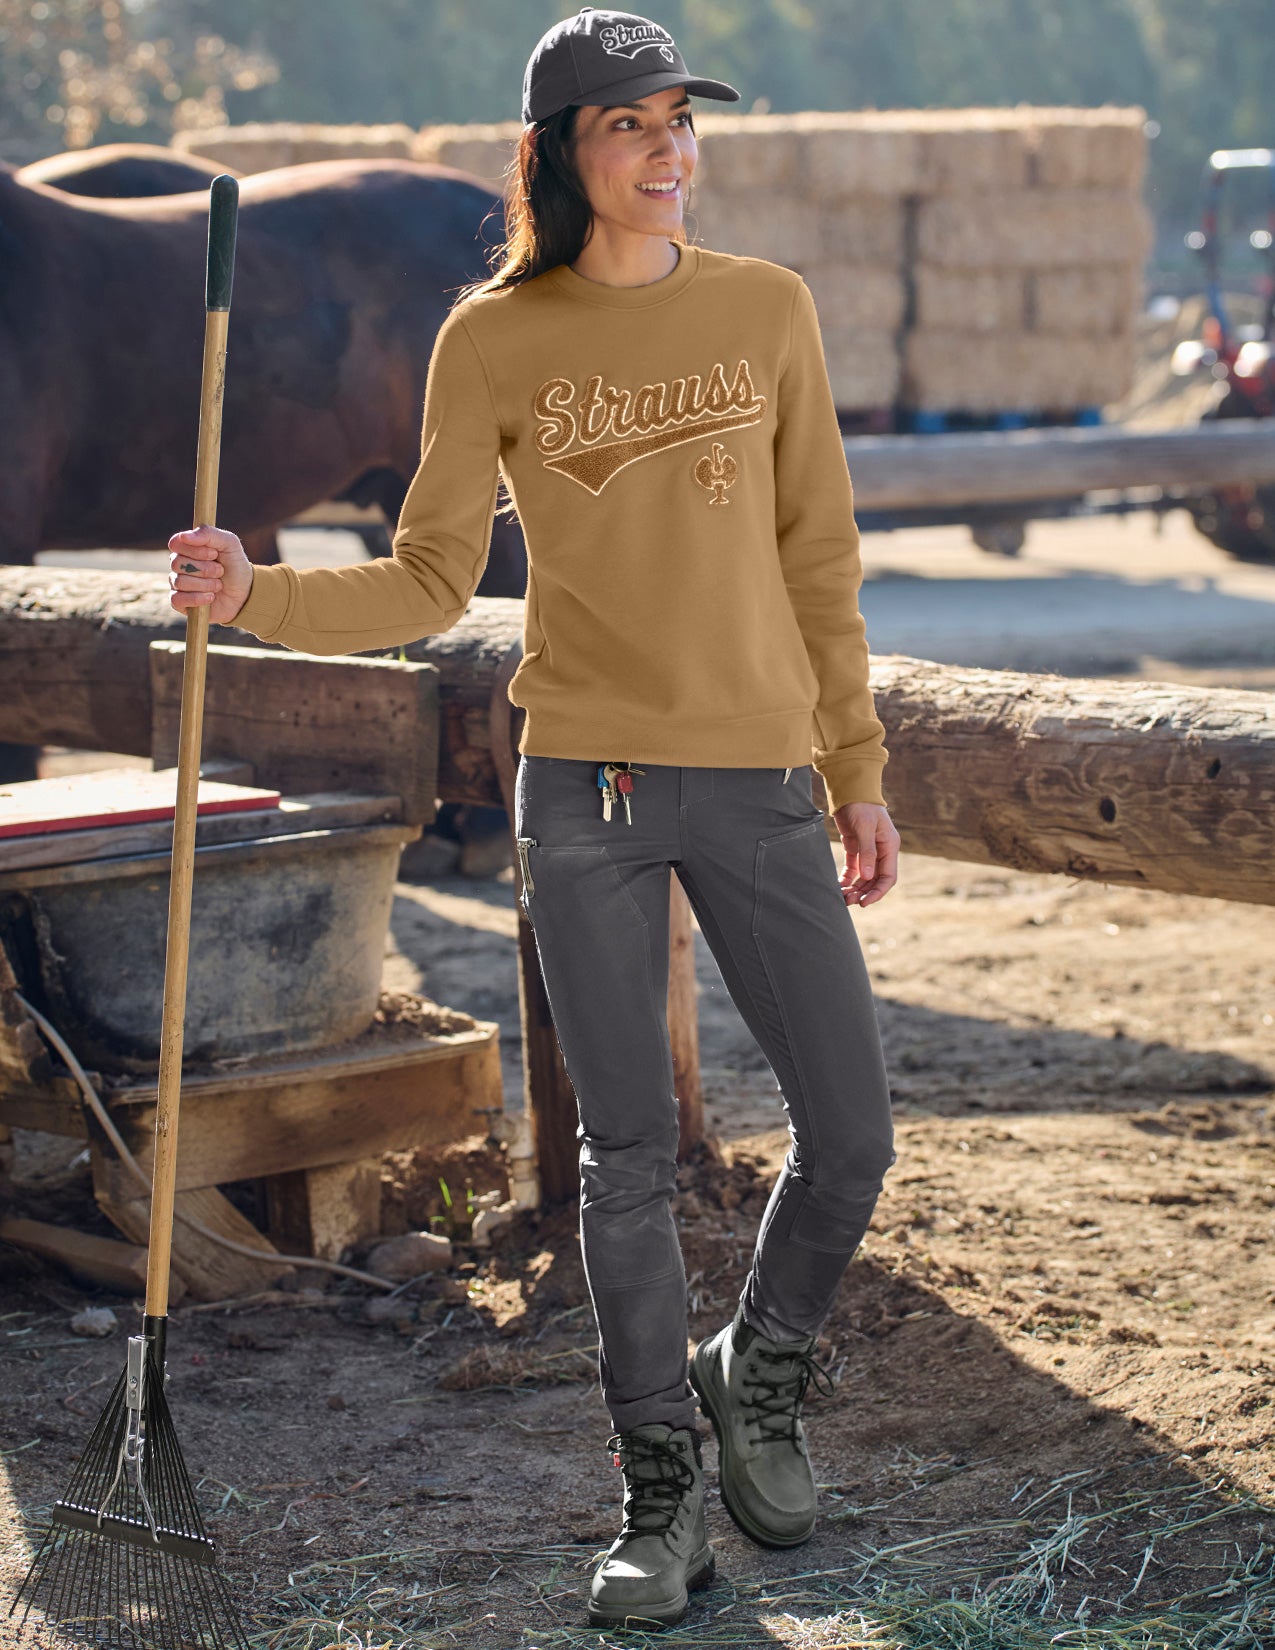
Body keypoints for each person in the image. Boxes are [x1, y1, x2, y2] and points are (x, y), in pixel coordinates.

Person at [169, 5, 899, 1631]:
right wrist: (256, 588)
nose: (669, 150)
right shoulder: (492, 340)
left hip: (763, 776)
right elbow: (432, 577)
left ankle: (753, 1371)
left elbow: (820, 563)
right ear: (560, 156)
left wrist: (855, 764)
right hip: (585, 788)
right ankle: (657, 1495)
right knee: (621, 1155)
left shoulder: (769, 312)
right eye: (630, 126)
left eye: (678, 122)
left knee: (852, 1134)